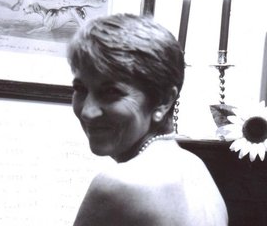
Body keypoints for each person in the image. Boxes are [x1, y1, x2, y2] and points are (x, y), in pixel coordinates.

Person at [67, 13, 228, 226]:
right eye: (80, 89)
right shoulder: (196, 168)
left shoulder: (119, 184)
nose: (88, 111)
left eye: (112, 92)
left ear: (164, 100)